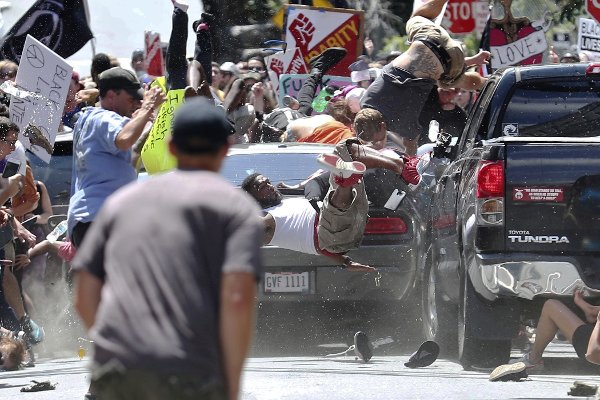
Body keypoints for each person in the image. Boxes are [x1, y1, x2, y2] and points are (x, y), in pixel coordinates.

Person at [73, 97, 262, 400]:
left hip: (116, 375)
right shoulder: (236, 210)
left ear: (172, 147)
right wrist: (231, 385)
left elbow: (84, 295)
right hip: (190, 373)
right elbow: (237, 298)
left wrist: (119, 349)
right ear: (226, 150)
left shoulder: (121, 202)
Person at [242, 109, 420, 271]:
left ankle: (404, 168)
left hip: (344, 228)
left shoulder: (286, 204)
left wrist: (346, 262)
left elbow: (319, 247)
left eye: (267, 182)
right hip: (330, 226)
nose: (269, 186)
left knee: (345, 148)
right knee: (331, 206)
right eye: (261, 187)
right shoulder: (265, 220)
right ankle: (345, 179)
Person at [361, 0, 490, 155]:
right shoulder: (366, 100)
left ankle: (489, 84)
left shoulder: (402, 124)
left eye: (376, 140)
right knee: (416, 18)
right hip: (429, 37)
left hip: (451, 59)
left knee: (451, 80)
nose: (378, 143)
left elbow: (411, 155)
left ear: (382, 126)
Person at [67, 67, 165, 250]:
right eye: (130, 99)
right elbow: (124, 139)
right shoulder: (104, 118)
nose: (133, 104)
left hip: (92, 218)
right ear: (111, 96)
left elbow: (131, 153)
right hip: (99, 218)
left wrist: (147, 121)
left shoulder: (89, 119)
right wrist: (147, 107)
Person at [490, 291, 600, 381]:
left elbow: (592, 354)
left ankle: (534, 359)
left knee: (551, 306)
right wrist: (590, 309)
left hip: (594, 351)